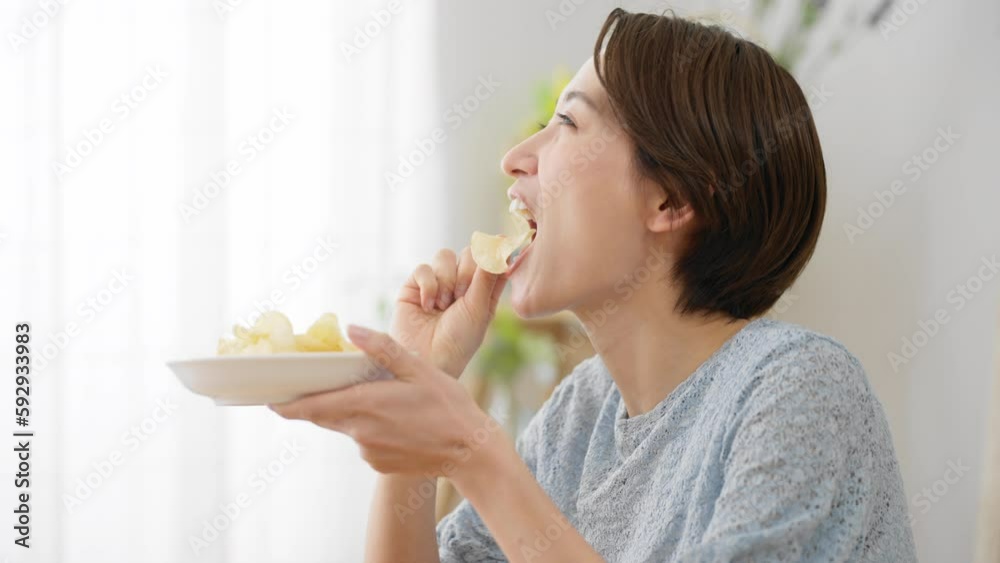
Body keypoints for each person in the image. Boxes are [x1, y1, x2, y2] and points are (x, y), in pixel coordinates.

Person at [270, 8, 917, 562]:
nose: (514, 158)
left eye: (569, 124)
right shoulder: (580, 415)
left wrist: (474, 452)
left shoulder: (802, 385)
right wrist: (419, 391)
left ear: (671, 199)